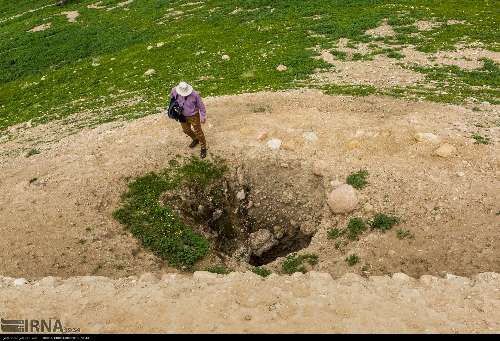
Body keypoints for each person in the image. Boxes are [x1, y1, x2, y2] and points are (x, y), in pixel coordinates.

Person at [170, 82, 208, 159]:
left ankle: (203, 147)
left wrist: (203, 116)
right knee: (186, 130)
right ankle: (195, 139)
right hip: (182, 115)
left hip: (194, 116)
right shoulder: (174, 90)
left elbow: (201, 106)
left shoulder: (195, 95)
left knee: (198, 131)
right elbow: (172, 98)